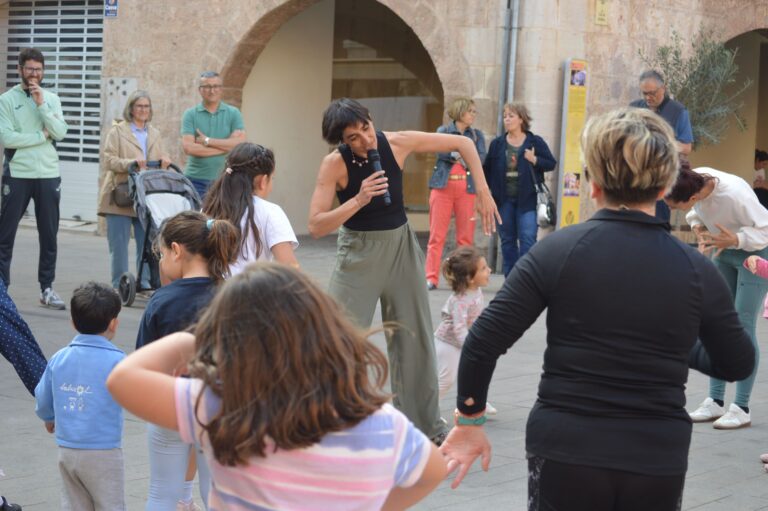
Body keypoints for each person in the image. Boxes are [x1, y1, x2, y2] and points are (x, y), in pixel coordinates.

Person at [440, 108, 755, 510]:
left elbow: (483, 340)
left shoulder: (555, 252)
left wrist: (469, 421)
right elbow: (737, 362)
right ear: (663, 190)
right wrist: (672, 345)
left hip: (566, 447)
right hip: (654, 453)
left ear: (593, 186)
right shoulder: (696, 269)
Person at [108, 263, 447, 510]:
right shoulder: (384, 424)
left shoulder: (222, 408)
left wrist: (197, 339)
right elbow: (433, 471)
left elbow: (122, 378)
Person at [308, 98, 500, 443]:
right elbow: (317, 225)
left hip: (400, 247)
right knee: (338, 340)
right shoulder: (333, 165)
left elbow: (464, 142)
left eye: (366, 129)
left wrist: (483, 189)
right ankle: (328, 425)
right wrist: (358, 200)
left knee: (414, 338)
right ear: (341, 140)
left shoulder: (396, 142)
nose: (365, 140)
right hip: (358, 255)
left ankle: (424, 427)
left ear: (371, 120)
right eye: (354, 137)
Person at [136, 210, 239, 511]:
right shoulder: (235, 295)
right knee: (217, 493)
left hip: (170, 405)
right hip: (221, 409)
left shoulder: (161, 300)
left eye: (162, 252)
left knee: (161, 493)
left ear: (177, 250)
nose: (162, 260)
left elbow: (143, 360)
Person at [665, 165, 768, 429]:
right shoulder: (694, 179)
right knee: (714, 323)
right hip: (722, 252)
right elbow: (695, 213)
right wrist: (698, 226)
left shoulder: (734, 195)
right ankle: (715, 400)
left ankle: (741, 407)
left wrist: (736, 239)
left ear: (692, 197)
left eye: (677, 206)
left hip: (755, 254)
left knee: (744, 325)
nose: (678, 211)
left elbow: (765, 229)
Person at [34, 282, 126, 510]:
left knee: (74, 504)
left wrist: (49, 416)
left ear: (73, 322)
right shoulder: (119, 362)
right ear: (114, 323)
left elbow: (43, 395)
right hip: (104, 450)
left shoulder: (59, 358)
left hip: (67, 448)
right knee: (110, 504)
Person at [0, 48, 68, 309]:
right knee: (5, 234)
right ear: (20, 70)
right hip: (18, 174)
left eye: (38, 69)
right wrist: (41, 136)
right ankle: (2, 288)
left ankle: (47, 289)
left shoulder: (51, 98)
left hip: (48, 174)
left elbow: (60, 132)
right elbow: (8, 138)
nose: (34, 74)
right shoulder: (6, 100)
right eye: (29, 69)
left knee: (49, 234)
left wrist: (42, 106)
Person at [99, 90, 170, 291]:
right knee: (119, 248)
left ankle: (143, 283)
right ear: (131, 108)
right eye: (139, 106)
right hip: (120, 195)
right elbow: (108, 160)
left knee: (147, 245)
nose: (143, 110)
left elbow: (162, 155)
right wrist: (130, 163)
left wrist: (165, 161)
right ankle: (120, 285)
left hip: (145, 196)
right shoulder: (118, 131)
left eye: (146, 106)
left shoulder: (154, 133)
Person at [483, 102, 557, 276]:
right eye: (505, 116)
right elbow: (487, 170)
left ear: (521, 119)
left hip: (528, 199)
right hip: (503, 200)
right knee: (507, 241)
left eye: (511, 116)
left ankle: (525, 277)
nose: (507, 119)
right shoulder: (498, 144)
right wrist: (486, 195)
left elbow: (551, 163)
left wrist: (535, 159)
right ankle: (510, 278)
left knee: (528, 240)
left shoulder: (534, 141)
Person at [202, 142, 298, 274]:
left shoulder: (209, 208)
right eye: (272, 178)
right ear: (263, 181)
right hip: (252, 292)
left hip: (214, 291)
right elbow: (291, 268)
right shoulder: (271, 212)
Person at [425, 98, 486, 290]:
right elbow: (440, 153)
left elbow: (481, 158)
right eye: (471, 111)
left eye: (474, 111)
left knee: (465, 238)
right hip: (442, 188)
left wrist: (458, 153)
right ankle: (431, 277)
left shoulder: (477, 135)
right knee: (437, 236)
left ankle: (462, 278)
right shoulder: (443, 131)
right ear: (460, 112)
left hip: (467, 191)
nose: (473, 115)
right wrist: (465, 154)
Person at [434, 246, 496, 415]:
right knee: (446, 379)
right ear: (469, 278)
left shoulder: (476, 290)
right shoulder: (461, 299)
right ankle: (430, 412)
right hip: (448, 343)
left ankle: (477, 402)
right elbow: (459, 327)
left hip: (464, 340)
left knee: (474, 373)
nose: (489, 270)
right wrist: (471, 346)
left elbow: (476, 316)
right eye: (483, 268)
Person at [629, 69, 694, 222]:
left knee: (657, 225)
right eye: (644, 93)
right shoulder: (633, 108)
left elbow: (686, 147)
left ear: (663, 88)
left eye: (652, 93)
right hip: (634, 179)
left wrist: (661, 142)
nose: (648, 98)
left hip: (661, 182)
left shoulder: (678, 111)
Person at [180, 71, 246, 200]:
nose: (212, 91)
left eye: (216, 86)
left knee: (223, 220)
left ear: (221, 89)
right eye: (207, 87)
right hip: (195, 180)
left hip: (226, 179)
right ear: (200, 90)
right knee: (197, 220)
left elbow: (240, 144)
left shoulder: (233, 113)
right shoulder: (190, 114)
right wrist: (227, 145)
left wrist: (207, 141)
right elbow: (189, 148)